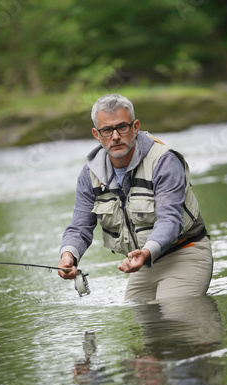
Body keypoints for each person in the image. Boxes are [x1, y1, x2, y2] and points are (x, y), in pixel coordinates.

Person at [58, 94, 213, 300]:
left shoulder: (164, 161)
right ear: (97, 134)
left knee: (175, 314)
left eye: (122, 127)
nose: (115, 136)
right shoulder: (89, 175)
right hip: (145, 263)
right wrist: (69, 256)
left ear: (135, 127)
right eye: (107, 130)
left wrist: (146, 252)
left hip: (186, 250)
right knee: (142, 315)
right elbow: (79, 227)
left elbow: (170, 220)